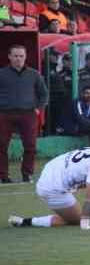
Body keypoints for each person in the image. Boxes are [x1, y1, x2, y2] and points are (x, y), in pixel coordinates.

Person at [0, 45, 49, 184]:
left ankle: (27, 175)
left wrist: (38, 109)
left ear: (25, 57)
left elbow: (44, 94)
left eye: (21, 56)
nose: (18, 59)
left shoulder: (34, 74)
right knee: (1, 145)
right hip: (5, 114)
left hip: (28, 114)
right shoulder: (1, 74)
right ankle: (3, 176)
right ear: (9, 56)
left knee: (30, 145)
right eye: (15, 56)